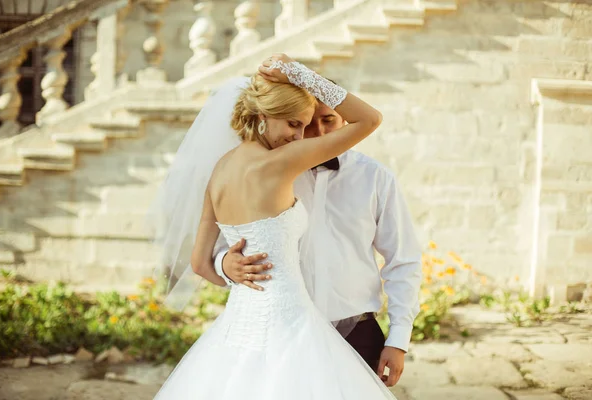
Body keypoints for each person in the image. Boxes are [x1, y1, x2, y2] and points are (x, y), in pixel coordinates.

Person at [151, 54, 396, 399]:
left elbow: (199, 264)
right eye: (293, 124)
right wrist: (300, 74)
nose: (300, 136)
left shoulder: (219, 170)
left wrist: (227, 265)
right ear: (264, 116)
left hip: (239, 323)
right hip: (290, 320)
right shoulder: (282, 163)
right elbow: (369, 119)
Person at [213, 98, 423, 385]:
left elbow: (403, 259)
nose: (320, 132)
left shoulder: (376, 178)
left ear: (345, 121)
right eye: (308, 123)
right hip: (284, 333)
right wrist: (224, 263)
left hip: (357, 332)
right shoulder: (266, 173)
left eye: (329, 120)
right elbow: (227, 238)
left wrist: (398, 339)